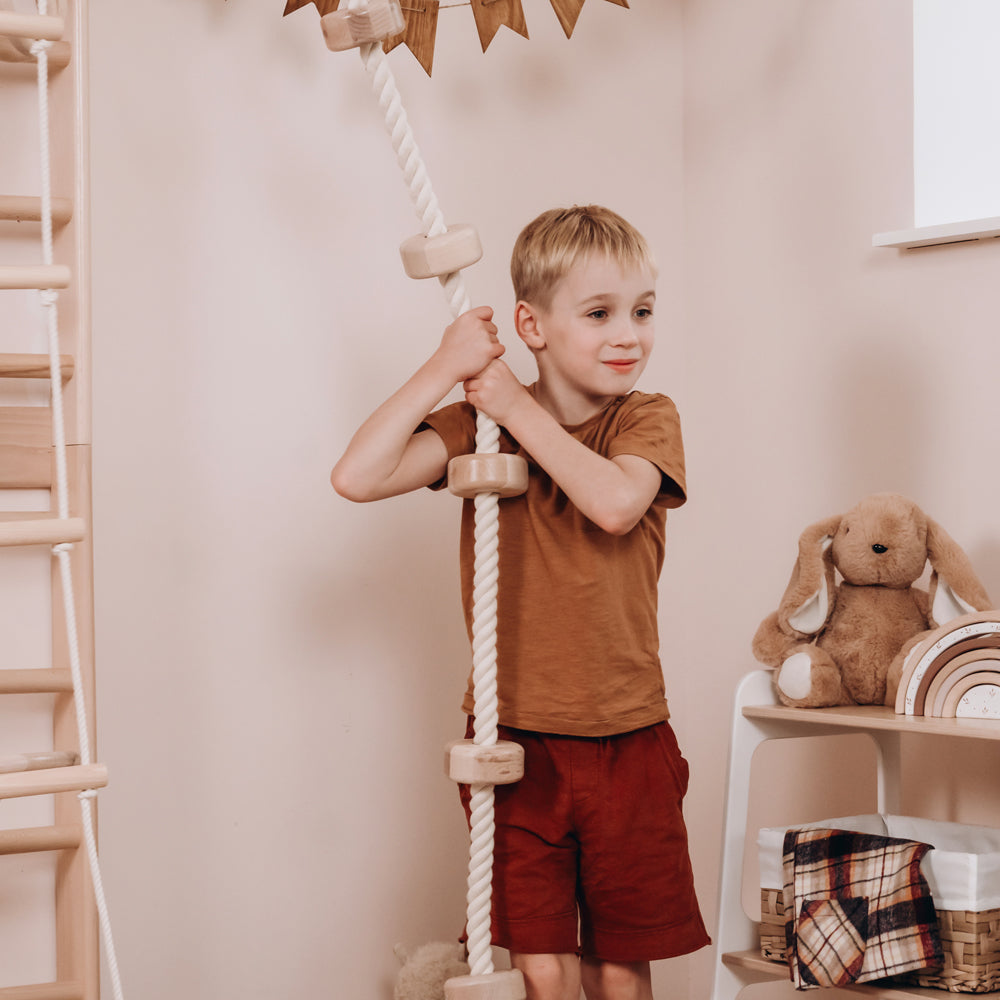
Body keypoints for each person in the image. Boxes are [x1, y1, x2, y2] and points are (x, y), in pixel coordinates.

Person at [331, 205, 709, 1000]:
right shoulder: (482, 428)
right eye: (600, 313)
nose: (628, 335)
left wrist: (514, 405)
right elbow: (357, 477)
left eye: (643, 311)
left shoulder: (645, 418)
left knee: (618, 964)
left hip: (626, 738)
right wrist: (446, 369)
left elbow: (612, 504)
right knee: (542, 967)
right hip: (514, 742)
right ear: (532, 326)